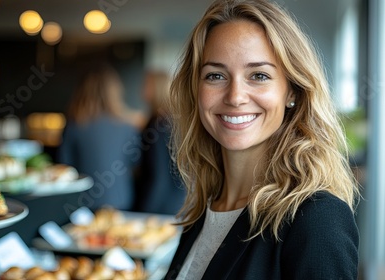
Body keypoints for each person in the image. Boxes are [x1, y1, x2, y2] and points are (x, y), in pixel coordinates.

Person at [164, 0, 360, 279]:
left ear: (292, 91)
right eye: (216, 75)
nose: (235, 96)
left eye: (258, 75)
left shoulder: (316, 219)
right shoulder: (204, 208)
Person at [57, 63, 140, 211]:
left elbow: (65, 166)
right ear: (115, 91)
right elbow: (134, 162)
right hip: (121, 199)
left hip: (83, 202)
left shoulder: (74, 124)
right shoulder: (127, 125)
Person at [133, 70, 186, 214]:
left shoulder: (157, 125)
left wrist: (143, 211)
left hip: (158, 207)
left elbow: (159, 173)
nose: (142, 89)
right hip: (176, 203)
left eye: (146, 85)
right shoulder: (173, 121)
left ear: (156, 88)